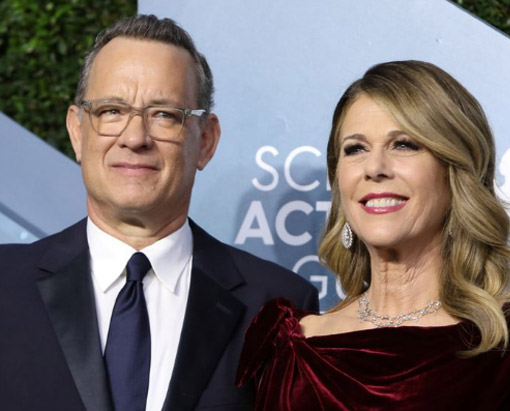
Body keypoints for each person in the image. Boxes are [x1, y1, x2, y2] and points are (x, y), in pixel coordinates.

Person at [0, 14, 318, 411]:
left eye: (165, 115)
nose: (135, 138)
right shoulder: (5, 284)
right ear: (78, 131)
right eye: (112, 111)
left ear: (206, 140)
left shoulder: (279, 307)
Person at [236, 60, 510, 410]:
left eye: (404, 145)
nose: (374, 168)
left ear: (455, 171)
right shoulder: (292, 346)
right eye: (355, 149)